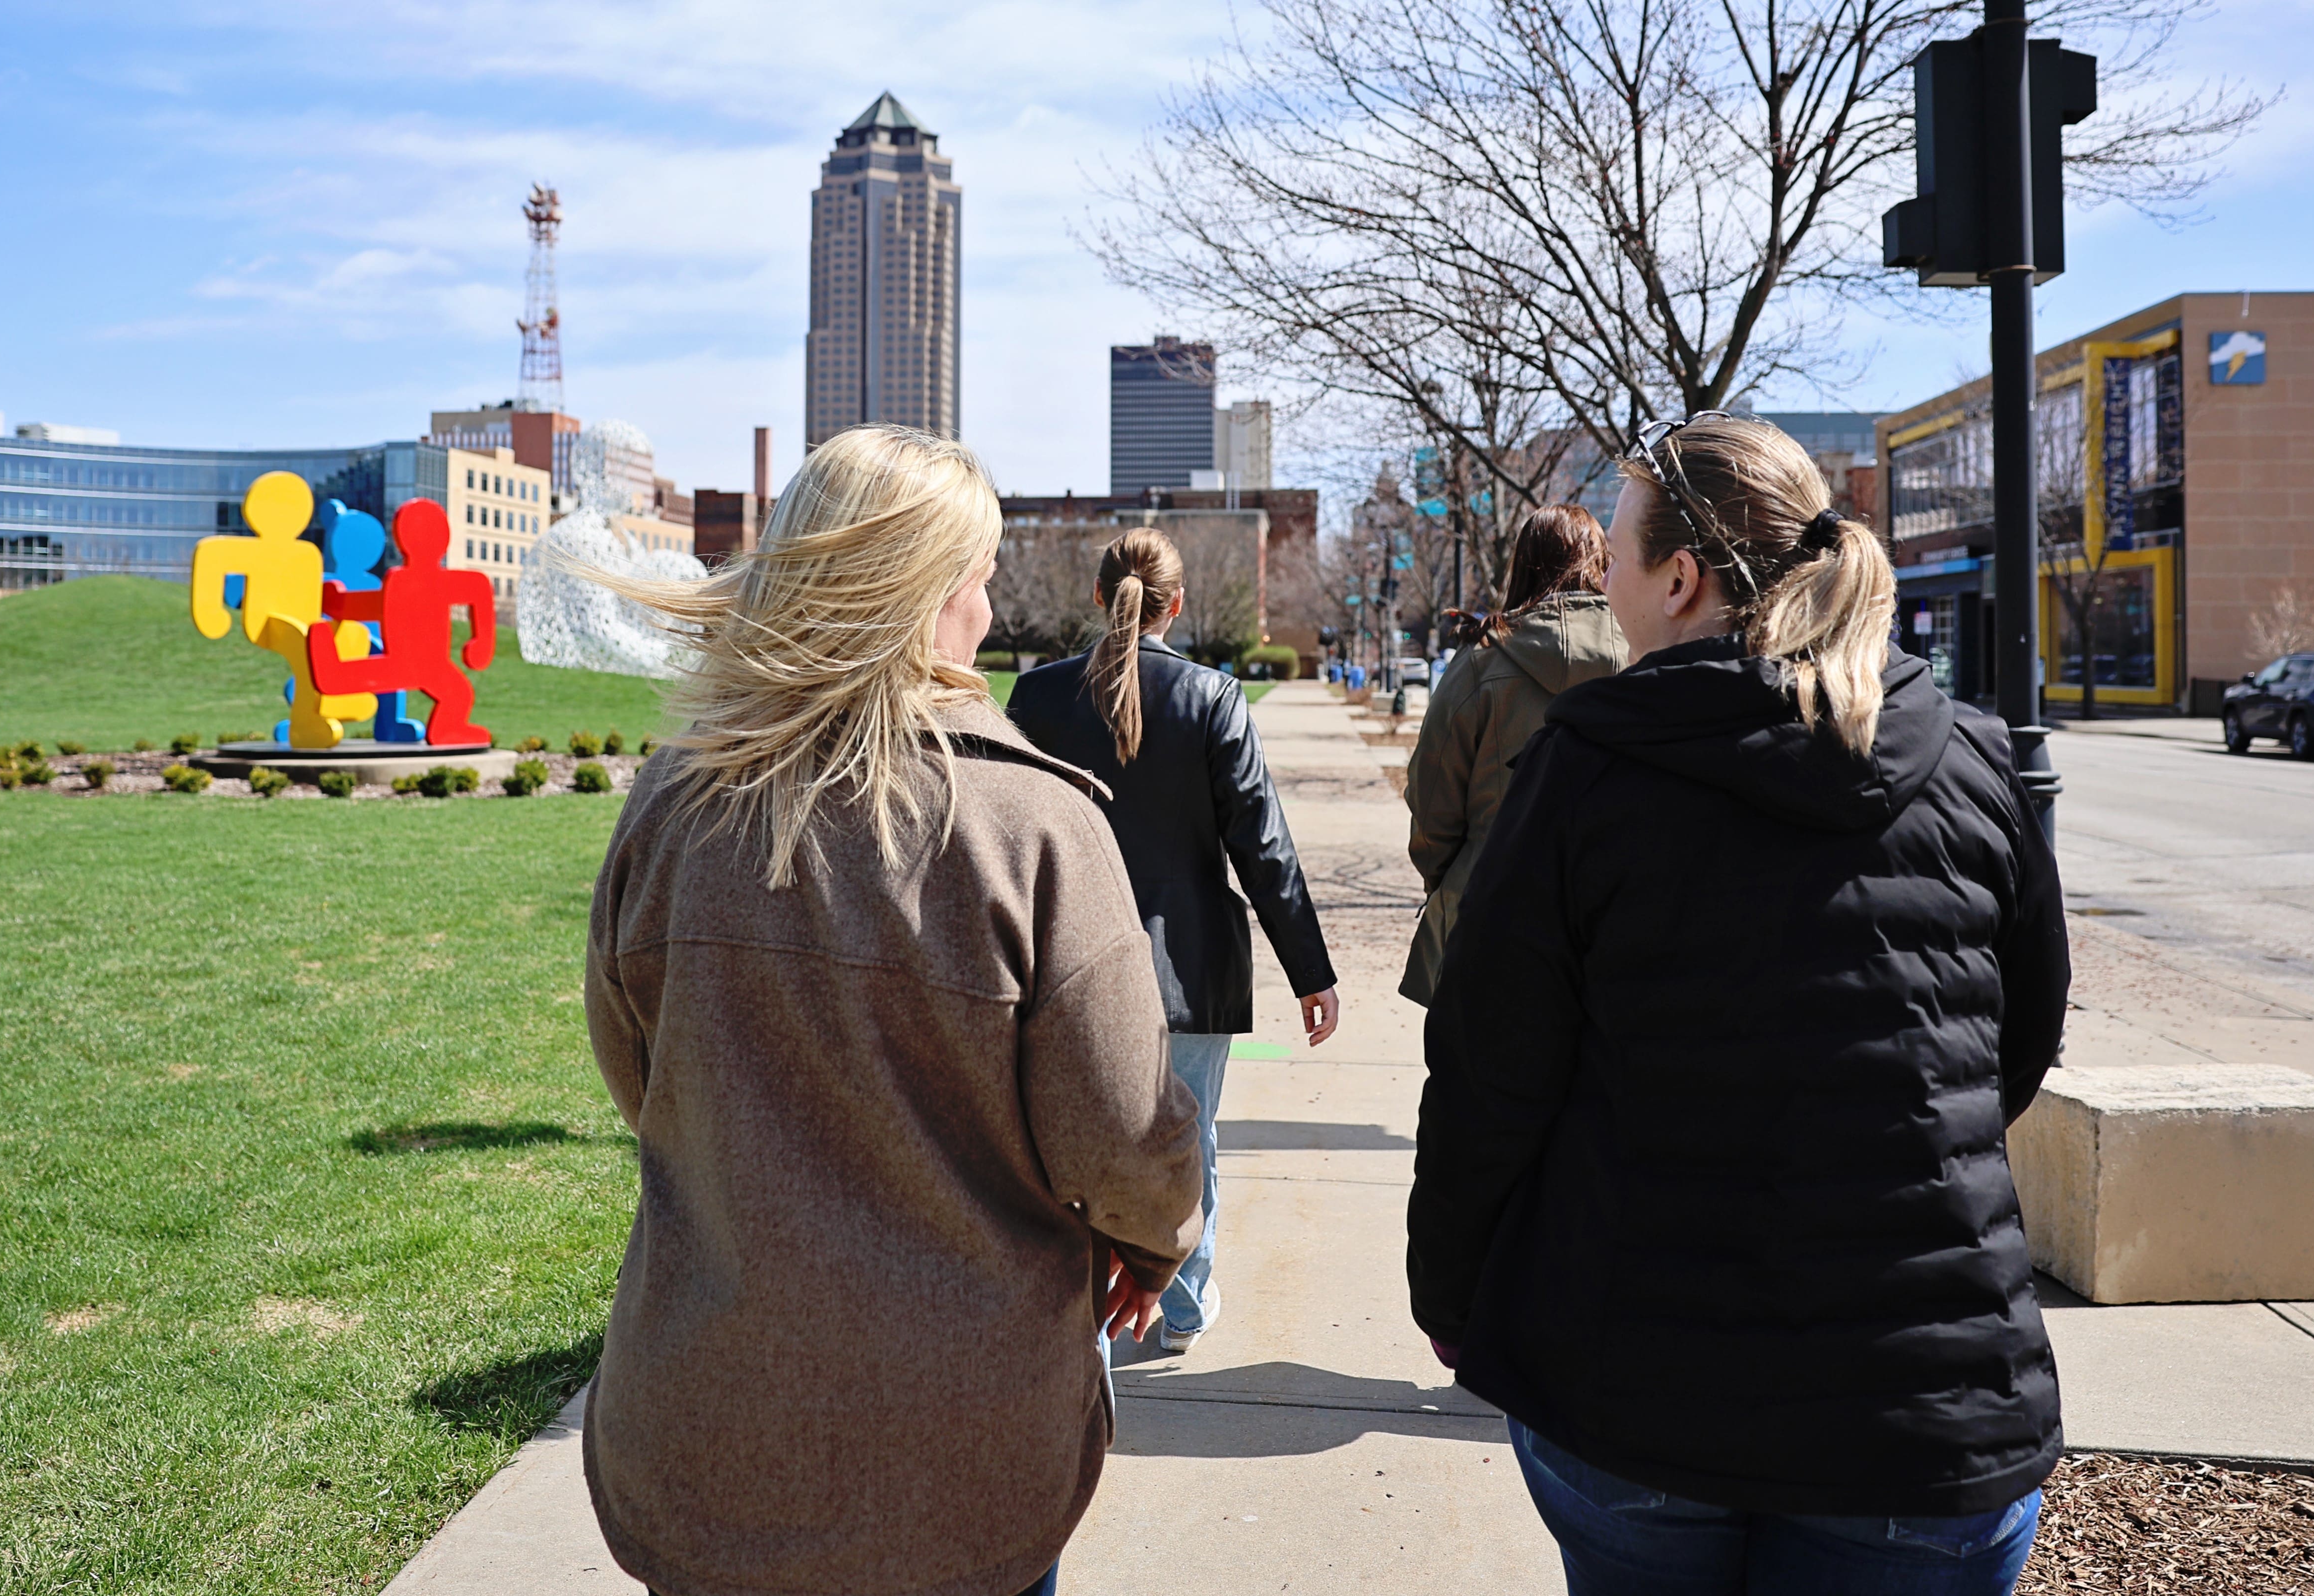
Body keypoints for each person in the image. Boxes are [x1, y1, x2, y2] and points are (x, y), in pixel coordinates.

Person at [1408, 413, 2071, 1595]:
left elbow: (1486, 1073)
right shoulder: (1974, 762)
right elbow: (2011, 1052)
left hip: (1636, 1398)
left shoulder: (1591, 771)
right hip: (1930, 1416)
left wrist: (1452, 1299)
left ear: (1680, 579)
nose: (1601, 574)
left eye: (1613, 550)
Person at [579, 425, 1204, 1596]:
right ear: (920, 595)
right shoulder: (1032, 823)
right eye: (974, 579)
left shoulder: (673, 802)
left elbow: (636, 1068)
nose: (983, 610)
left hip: (713, 1438)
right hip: (963, 1461)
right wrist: (1155, 1236)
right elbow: (1124, 1127)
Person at [1008, 527, 1341, 1354]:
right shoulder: (1212, 699)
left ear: (1097, 597)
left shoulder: (1037, 698)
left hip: (1063, 962)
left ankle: (1087, 1312)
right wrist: (1313, 975)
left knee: (1067, 1144)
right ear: (1178, 606)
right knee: (1188, 1139)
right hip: (1188, 967)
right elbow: (1263, 851)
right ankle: (1185, 1306)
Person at [1397, 505, 1630, 1007]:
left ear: (1521, 566)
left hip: (1489, 910)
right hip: (1621, 912)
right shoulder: (1647, 655)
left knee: (1478, 1078)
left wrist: (1446, 878)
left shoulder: (1482, 660)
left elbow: (1433, 793)